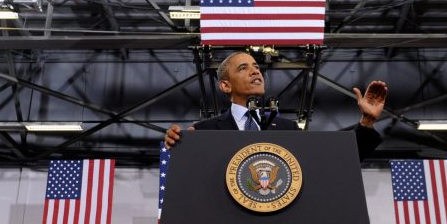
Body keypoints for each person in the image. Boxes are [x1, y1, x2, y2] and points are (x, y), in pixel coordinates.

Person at [164, 52, 387, 163]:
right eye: (243, 68)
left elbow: (335, 161)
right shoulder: (203, 132)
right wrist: (178, 145)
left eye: (256, 67)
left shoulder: (287, 129)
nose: (255, 72)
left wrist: (366, 122)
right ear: (225, 85)